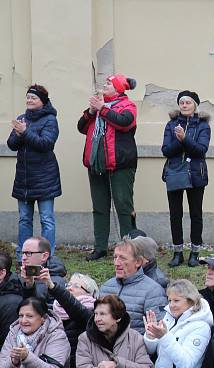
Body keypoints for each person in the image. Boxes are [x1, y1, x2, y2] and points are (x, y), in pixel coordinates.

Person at [78, 74, 138, 261]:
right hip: (96, 164)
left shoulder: (128, 106)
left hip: (120, 164)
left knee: (123, 205)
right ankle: (100, 248)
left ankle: (129, 247)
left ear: (119, 89)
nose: (104, 85)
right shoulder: (98, 108)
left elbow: (124, 122)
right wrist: (90, 112)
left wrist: (102, 109)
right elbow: (81, 127)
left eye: (108, 83)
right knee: (99, 207)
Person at [6, 84, 61, 257]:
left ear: (42, 101)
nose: (29, 100)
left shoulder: (50, 119)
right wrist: (17, 133)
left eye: (33, 98)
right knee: (24, 220)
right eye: (28, 97)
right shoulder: (22, 118)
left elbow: (46, 144)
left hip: (45, 178)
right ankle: (23, 255)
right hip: (24, 179)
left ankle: (48, 256)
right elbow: (11, 145)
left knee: (47, 219)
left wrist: (26, 131)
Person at [162, 90, 211, 267]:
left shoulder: (203, 126)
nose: (184, 105)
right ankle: (177, 252)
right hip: (174, 173)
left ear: (195, 105)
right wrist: (179, 140)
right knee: (175, 214)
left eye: (188, 102)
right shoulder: (171, 124)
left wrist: (184, 139)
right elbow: (166, 150)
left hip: (196, 174)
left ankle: (195, 253)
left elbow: (201, 150)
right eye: (181, 102)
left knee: (196, 214)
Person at [99, 238, 167, 334]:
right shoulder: (105, 287)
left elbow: (158, 332)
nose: (116, 263)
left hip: (135, 346)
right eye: (115, 257)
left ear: (138, 262)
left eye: (122, 258)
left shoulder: (153, 291)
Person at [19, 235, 68, 306]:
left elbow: (52, 312)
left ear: (44, 256)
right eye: (22, 253)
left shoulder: (56, 283)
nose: (23, 258)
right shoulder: (19, 277)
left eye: (28, 253)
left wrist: (30, 287)